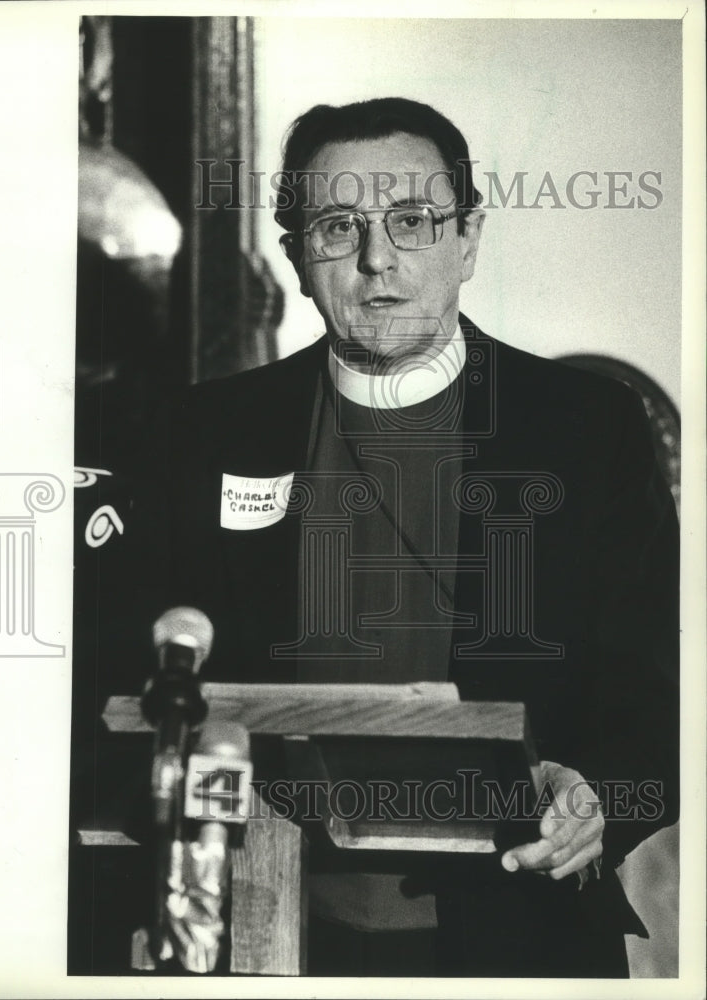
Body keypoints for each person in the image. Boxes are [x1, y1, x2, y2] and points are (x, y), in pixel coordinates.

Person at [153, 97, 679, 977]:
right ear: (295, 256)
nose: (376, 260)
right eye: (336, 227)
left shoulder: (587, 427)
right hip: (264, 927)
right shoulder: (208, 432)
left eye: (413, 221)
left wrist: (600, 801)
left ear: (468, 238)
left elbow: (661, 700)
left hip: (514, 927)